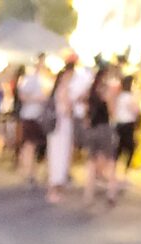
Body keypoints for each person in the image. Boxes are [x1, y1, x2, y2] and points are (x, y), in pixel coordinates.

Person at [83, 62, 119, 206]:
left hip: (92, 129)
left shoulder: (91, 90)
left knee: (91, 162)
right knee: (110, 161)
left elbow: (86, 111)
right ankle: (111, 192)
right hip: (104, 128)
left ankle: (88, 194)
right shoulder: (107, 90)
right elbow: (112, 111)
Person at [46, 54, 80, 203]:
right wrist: (73, 105)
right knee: (60, 155)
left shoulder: (58, 89)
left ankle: (55, 187)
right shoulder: (64, 90)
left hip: (58, 126)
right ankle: (54, 189)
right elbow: (66, 109)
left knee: (56, 155)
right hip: (62, 125)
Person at [16, 60, 47, 186]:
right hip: (30, 116)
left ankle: (31, 171)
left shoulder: (42, 80)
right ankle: (28, 172)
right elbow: (22, 96)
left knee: (33, 145)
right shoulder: (31, 79)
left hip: (37, 117)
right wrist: (37, 99)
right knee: (30, 145)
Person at [115, 72, 141, 180]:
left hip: (119, 123)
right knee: (129, 148)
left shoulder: (120, 96)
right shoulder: (129, 97)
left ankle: (114, 170)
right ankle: (125, 172)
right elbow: (136, 110)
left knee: (119, 148)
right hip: (127, 124)